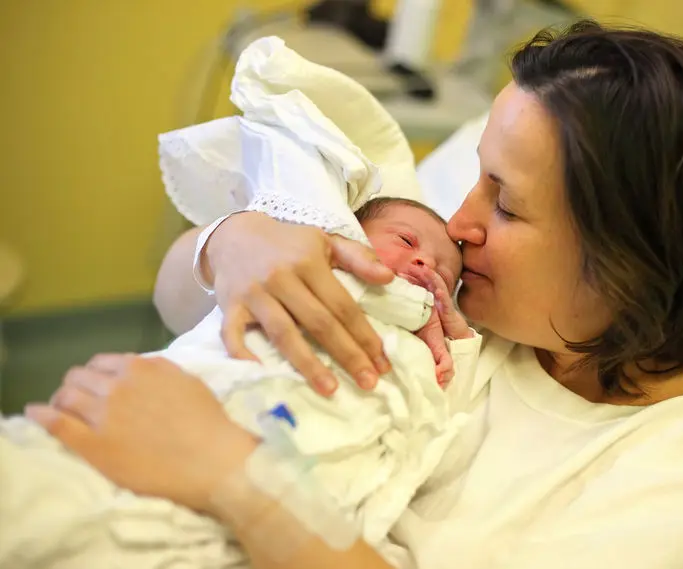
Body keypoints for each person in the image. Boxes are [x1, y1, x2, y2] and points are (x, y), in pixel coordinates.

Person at [26, 21, 683, 569]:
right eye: (475, 177)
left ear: (632, 262)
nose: (457, 222)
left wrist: (229, 473)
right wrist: (230, 245)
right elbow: (177, 303)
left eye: (506, 203)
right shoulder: (465, 298)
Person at [0, 39, 479, 567]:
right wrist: (232, 236)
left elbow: (438, 397)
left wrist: (450, 345)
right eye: (408, 243)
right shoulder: (319, 256)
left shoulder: (434, 338)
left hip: (273, 471)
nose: (426, 268)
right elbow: (179, 289)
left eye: (445, 274)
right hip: (186, 405)